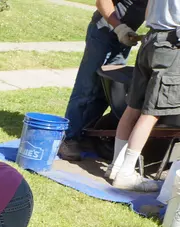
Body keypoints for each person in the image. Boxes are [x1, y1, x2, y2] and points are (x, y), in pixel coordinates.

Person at [107, 0, 180, 190]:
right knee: (151, 113)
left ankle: (116, 166)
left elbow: (148, 12)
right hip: (172, 46)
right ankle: (126, 173)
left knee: (134, 107)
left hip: (151, 39)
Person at [60, 0, 146, 161]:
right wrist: (119, 27)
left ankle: (85, 134)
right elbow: (102, 2)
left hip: (125, 37)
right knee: (87, 87)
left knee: (107, 91)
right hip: (103, 31)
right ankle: (68, 138)